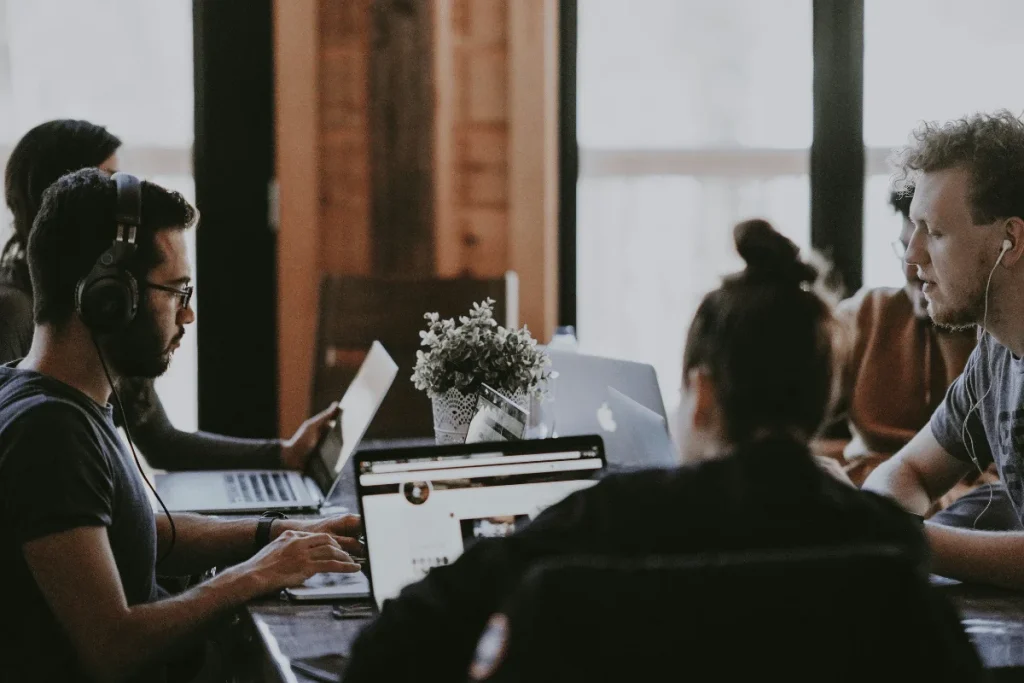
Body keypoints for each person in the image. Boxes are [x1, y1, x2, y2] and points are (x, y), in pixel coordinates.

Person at [344, 219, 929, 682]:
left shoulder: (604, 520)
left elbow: (387, 648)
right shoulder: (887, 541)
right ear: (824, 394)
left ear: (701, 396)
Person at [0, 169, 363, 682]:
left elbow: (131, 532)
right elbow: (113, 648)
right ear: (108, 297)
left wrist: (279, 532)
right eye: (176, 291)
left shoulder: (45, 396)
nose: (187, 315)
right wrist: (257, 574)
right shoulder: (49, 432)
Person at [0, 119, 333, 473]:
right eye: (107, 181)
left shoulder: (118, 307)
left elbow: (163, 443)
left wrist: (283, 454)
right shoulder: (19, 313)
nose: (122, 202)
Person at [864, 110, 1024, 588]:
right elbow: (908, 469)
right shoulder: (996, 352)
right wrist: (885, 518)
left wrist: (899, 535)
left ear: (1009, 240)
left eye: (934, 232)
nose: (912, 257)